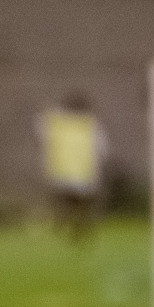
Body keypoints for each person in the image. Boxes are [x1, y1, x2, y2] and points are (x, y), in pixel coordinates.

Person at [38, 92, 107, 238]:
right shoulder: (90, 124)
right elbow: (102, 148)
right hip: (84, 172)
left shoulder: (56, 122)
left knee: (66, 204)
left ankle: (63, 227)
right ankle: (80, 229)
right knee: (82, 205)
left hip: (62, 172)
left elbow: (41, 128)